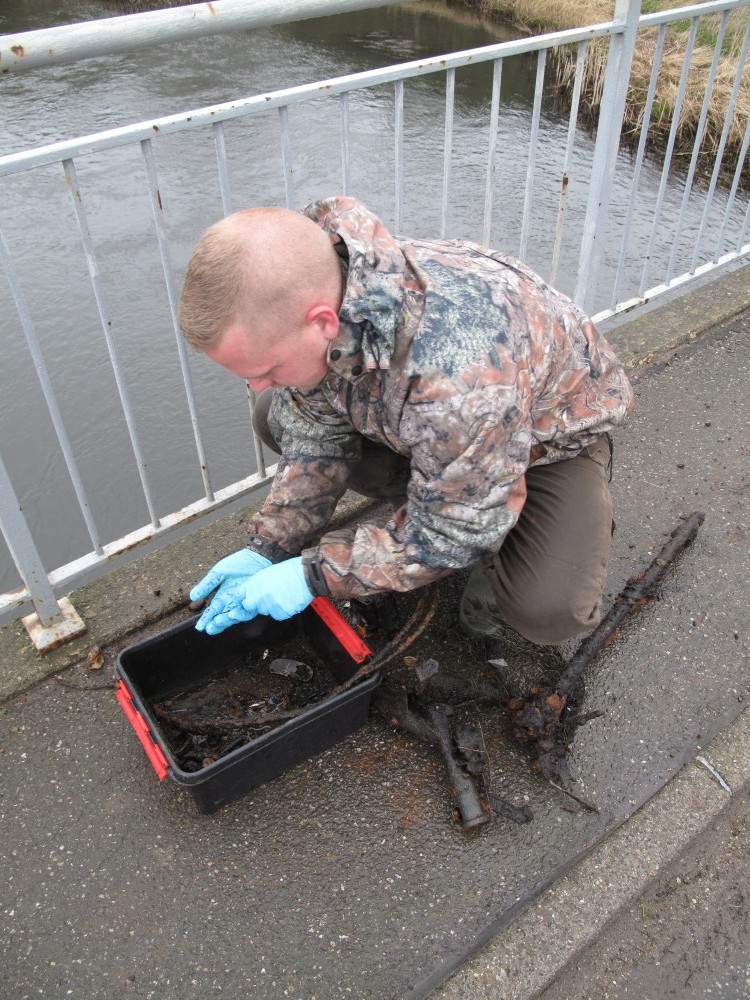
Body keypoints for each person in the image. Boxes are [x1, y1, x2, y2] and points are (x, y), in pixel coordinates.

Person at [178, 196, 634, 646]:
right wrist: (269, 547)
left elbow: (451, 532)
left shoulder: (459, 376)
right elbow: (314, 434)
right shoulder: (327, 286)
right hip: (446, 428)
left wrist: (314, 575)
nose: (259, 383)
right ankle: (441, 497)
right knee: (273, 415)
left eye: (267, 369)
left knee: (550, 609)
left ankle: (500, 529)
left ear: (320, 323)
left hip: (545, 440)